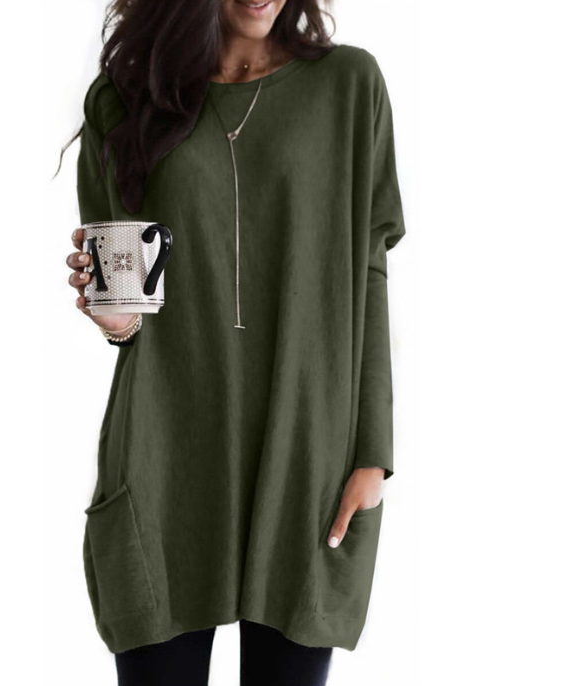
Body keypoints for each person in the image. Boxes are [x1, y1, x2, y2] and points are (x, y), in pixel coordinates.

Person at [64, 1, 406, 684]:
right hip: (165, 451)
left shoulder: (348, 85)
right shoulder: (123, 100)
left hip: (304, 450)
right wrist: (114, 319)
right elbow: (125, 293)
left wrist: (373, 455)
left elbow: (368, 271)